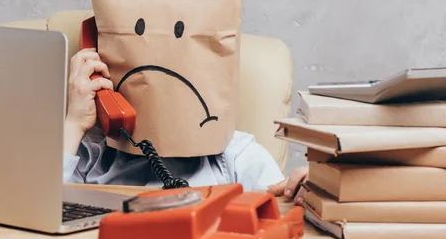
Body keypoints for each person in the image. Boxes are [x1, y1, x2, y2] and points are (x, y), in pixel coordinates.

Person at [63, 48, 308, 198]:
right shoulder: (89, 158)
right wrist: (74, 123)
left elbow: (279, 214)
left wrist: (309, 193)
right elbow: (39, 209)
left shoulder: (236, 156)